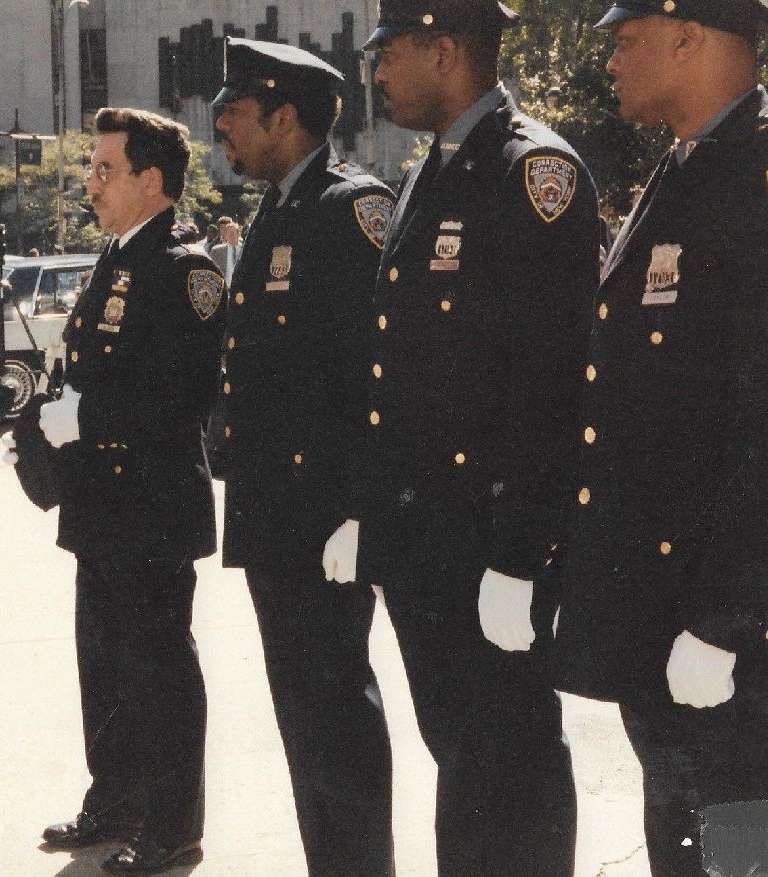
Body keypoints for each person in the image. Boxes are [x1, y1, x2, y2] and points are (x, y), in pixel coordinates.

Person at [323, 2, 602, 874]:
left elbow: (552, 388)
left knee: (511, 769)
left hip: (488, 549)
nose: (377, 72)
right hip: (426, 546)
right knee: (464, 764)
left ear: (445, 50)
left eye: (390, 53)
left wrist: (520, 557)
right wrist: (371, 512)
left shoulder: (532, 174)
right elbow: (396, 369)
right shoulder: (426, 171)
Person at [552, 4, 768, 874]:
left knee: (741, 850)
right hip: (661, 611)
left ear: (689, 35)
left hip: (725, 634)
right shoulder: (685, 169)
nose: (609, 59)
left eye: (624, 38)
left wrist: (729, 614)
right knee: (689, 847)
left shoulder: (751, 175)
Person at [211, 37, 396, 876]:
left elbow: (373, 372)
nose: (220, 129)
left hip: (324, 521)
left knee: (337, 723)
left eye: (235, 113)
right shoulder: (278, 208)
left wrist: (363, 506)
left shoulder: (348, 208)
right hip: (276, 517)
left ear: (284, 118)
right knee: (303, 721)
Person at [31, 107, 225, 875]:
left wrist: (86, 415)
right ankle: (116, 798)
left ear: (152, 181)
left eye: (106, 169)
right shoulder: (115, 257)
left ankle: (174, 824)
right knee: (103, 662)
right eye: (92, 167)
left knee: (159, 667)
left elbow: (184, 395)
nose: (92, 182)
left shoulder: (187, 268)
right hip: (100, 506)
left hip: (151, 504)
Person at [206, 216, 242, 285]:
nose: (231, 235)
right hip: (223, 288)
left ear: (238, 233)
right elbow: (210, 271)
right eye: (228, 233)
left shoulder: (245, 250)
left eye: (233, 232)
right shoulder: (216, 251)